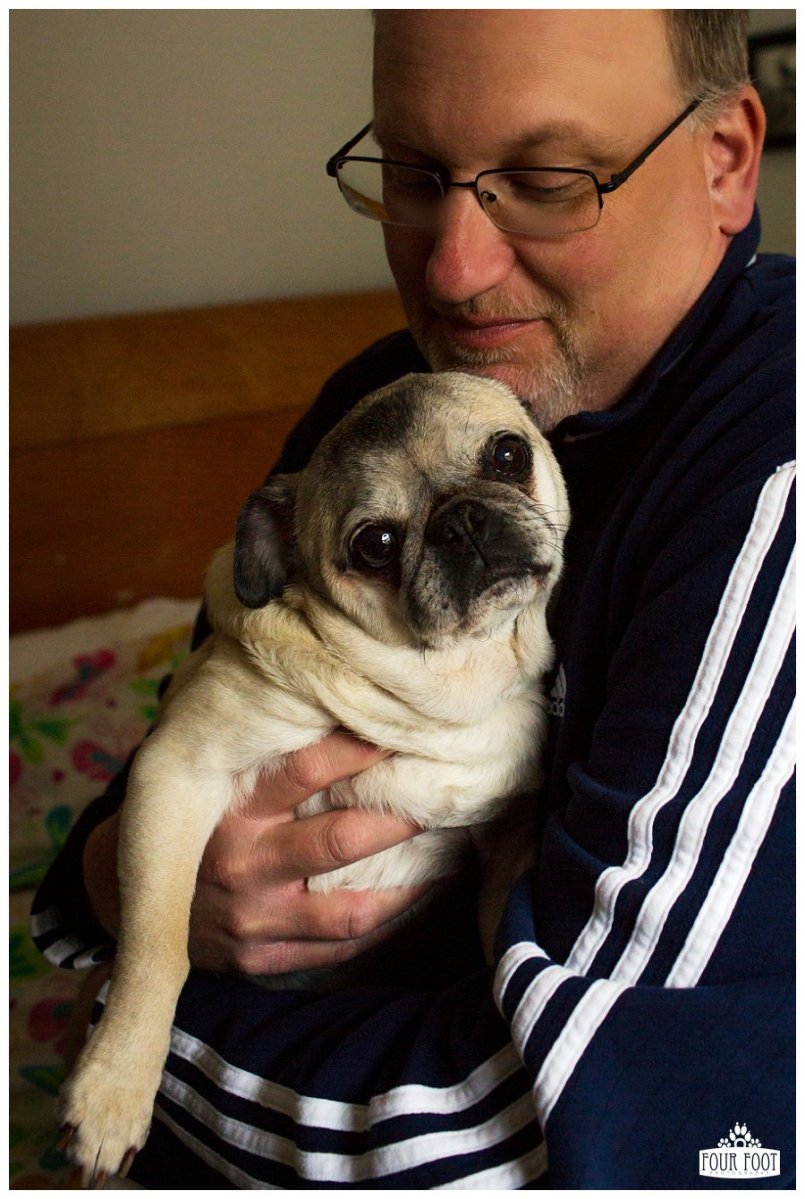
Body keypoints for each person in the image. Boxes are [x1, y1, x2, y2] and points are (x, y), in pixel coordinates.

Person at [32, 10, 794, 1188]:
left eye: (546, 179)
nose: (450, 269)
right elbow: (198, 739)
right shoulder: (391, 390)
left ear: (726, 161)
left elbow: (590, 1107)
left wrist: (136, 1042)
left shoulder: (770, 474)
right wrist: (117, 894)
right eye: (413, 174)